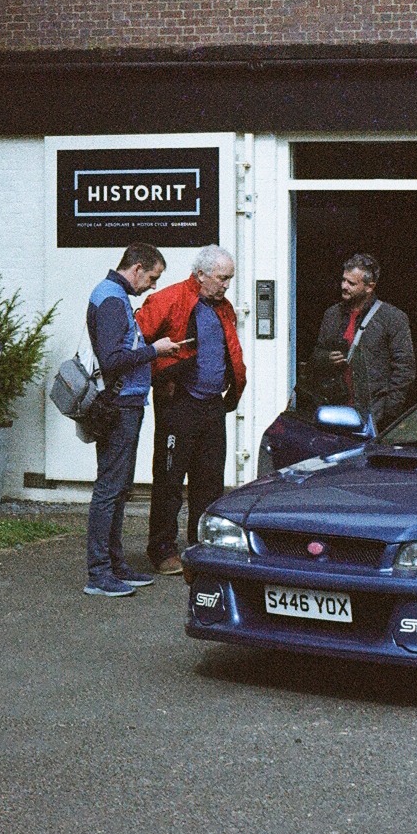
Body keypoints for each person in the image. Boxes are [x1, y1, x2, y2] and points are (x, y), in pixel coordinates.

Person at [135, 244, 247, 575]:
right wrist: (163, 373)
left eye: (230, 279)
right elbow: (136, 344)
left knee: (210, 480)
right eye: (222, 278)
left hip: (213, 403)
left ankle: (202, 546)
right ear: (200, 275)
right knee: (170, 478)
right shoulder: (167, 299)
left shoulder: (224, 308)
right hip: (178, 401)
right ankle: (162, 548)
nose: (226, 285)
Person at [84, 243, 183, 597]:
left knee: (118, 488)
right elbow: (112, 360)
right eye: (153, 277)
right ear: (137, 268)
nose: (153, 286)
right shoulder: (111, 298)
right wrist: (154, 351)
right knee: (110, 489)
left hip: (126, 402)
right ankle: (99, 573)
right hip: (121, 404)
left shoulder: (111, 294)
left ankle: (114, 566)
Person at [312, 253, 415, 429]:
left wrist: (388, 413)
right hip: (336, 412)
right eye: (343, 280)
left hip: (373, 417)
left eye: (351, 283)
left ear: (370, 287)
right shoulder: (331, 315)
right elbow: (316, 356)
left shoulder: (393, 318)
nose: (344, 286)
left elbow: (405, 369)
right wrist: (327, 358)